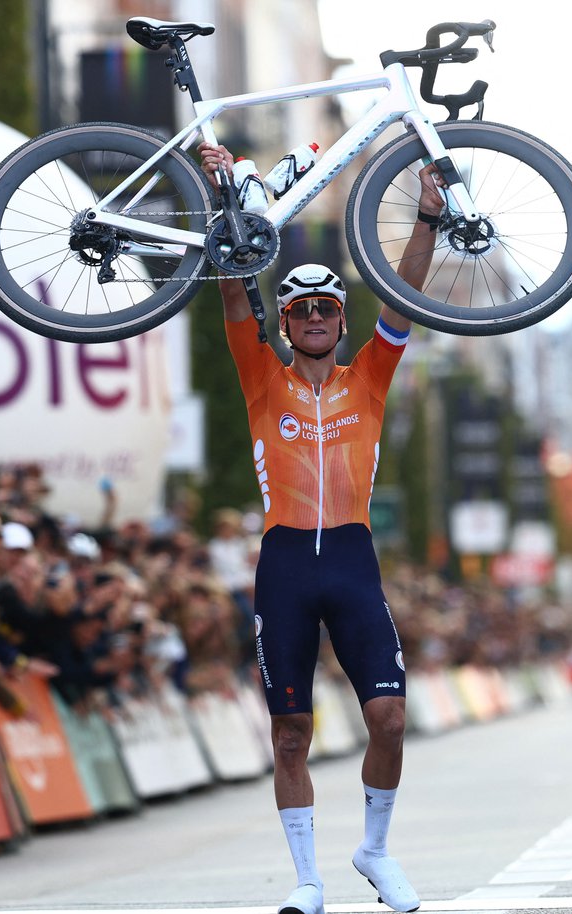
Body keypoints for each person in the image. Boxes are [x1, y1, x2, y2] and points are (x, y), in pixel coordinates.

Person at [199, 140, 444, 914]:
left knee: (391, 718)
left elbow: (403, 296)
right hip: (283, 565)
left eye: (325, 308)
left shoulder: (367, 376)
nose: (311, 317)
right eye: (299, 307)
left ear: (341, 322)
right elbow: (235, 289)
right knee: (291, 734)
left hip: (350, 557)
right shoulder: (259, 376)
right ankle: (308, 882)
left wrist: (429, 220)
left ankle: (373, 850)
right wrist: (221, 200)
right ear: (287, 320)